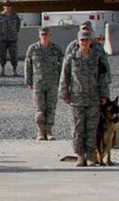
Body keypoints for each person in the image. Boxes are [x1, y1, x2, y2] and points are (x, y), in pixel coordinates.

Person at [59, 24, 113, 163]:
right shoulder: (72, 58)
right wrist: (64, 93)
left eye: (87, 40)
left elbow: (102, 77)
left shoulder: (96, 58)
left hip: (93, 98)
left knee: (92, 129)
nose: (84, 42)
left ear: (91, 42)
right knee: (78, 130)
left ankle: (91, 155)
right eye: (82, 40)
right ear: (78, 42)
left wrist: (104, 96)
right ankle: (80, 156)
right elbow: (64, 77)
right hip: (77, 99)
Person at [24, 26, 64, 140]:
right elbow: (28, 65)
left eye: (46, 35)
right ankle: (41, 131)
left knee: (51, 107)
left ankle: (49, 131)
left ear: (50, 36)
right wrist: (29, 81)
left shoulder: (56, 49)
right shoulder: (33, 49)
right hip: (38, 83)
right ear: (39, 35)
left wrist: (61, 81)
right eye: (42, 35)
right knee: (40, 108)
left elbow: (62, 65)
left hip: (52, 82)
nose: (44, 37)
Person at [0, 3, 22, 76]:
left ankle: (14, 71)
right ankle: (2, 70)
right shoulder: (0, 15)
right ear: (3, 7)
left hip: (12, 39)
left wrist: (13, 33)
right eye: (5, 6)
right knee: (2, 55)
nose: (7, 7)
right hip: (2, 39)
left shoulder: (15, 15)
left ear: (11, 6)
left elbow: (18, 26)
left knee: (14, 55)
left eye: (8, 6)